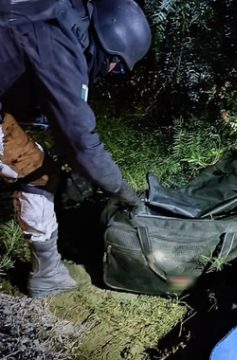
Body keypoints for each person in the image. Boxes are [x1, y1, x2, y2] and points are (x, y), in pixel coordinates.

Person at [0, 0, 152, 297]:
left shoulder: (49, 14)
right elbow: (81, 143)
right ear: (107, 40)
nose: (109, 72)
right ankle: (48, 274)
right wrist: (121, 189)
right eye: (114, 65)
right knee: (38, 173)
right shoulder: (60, 45)